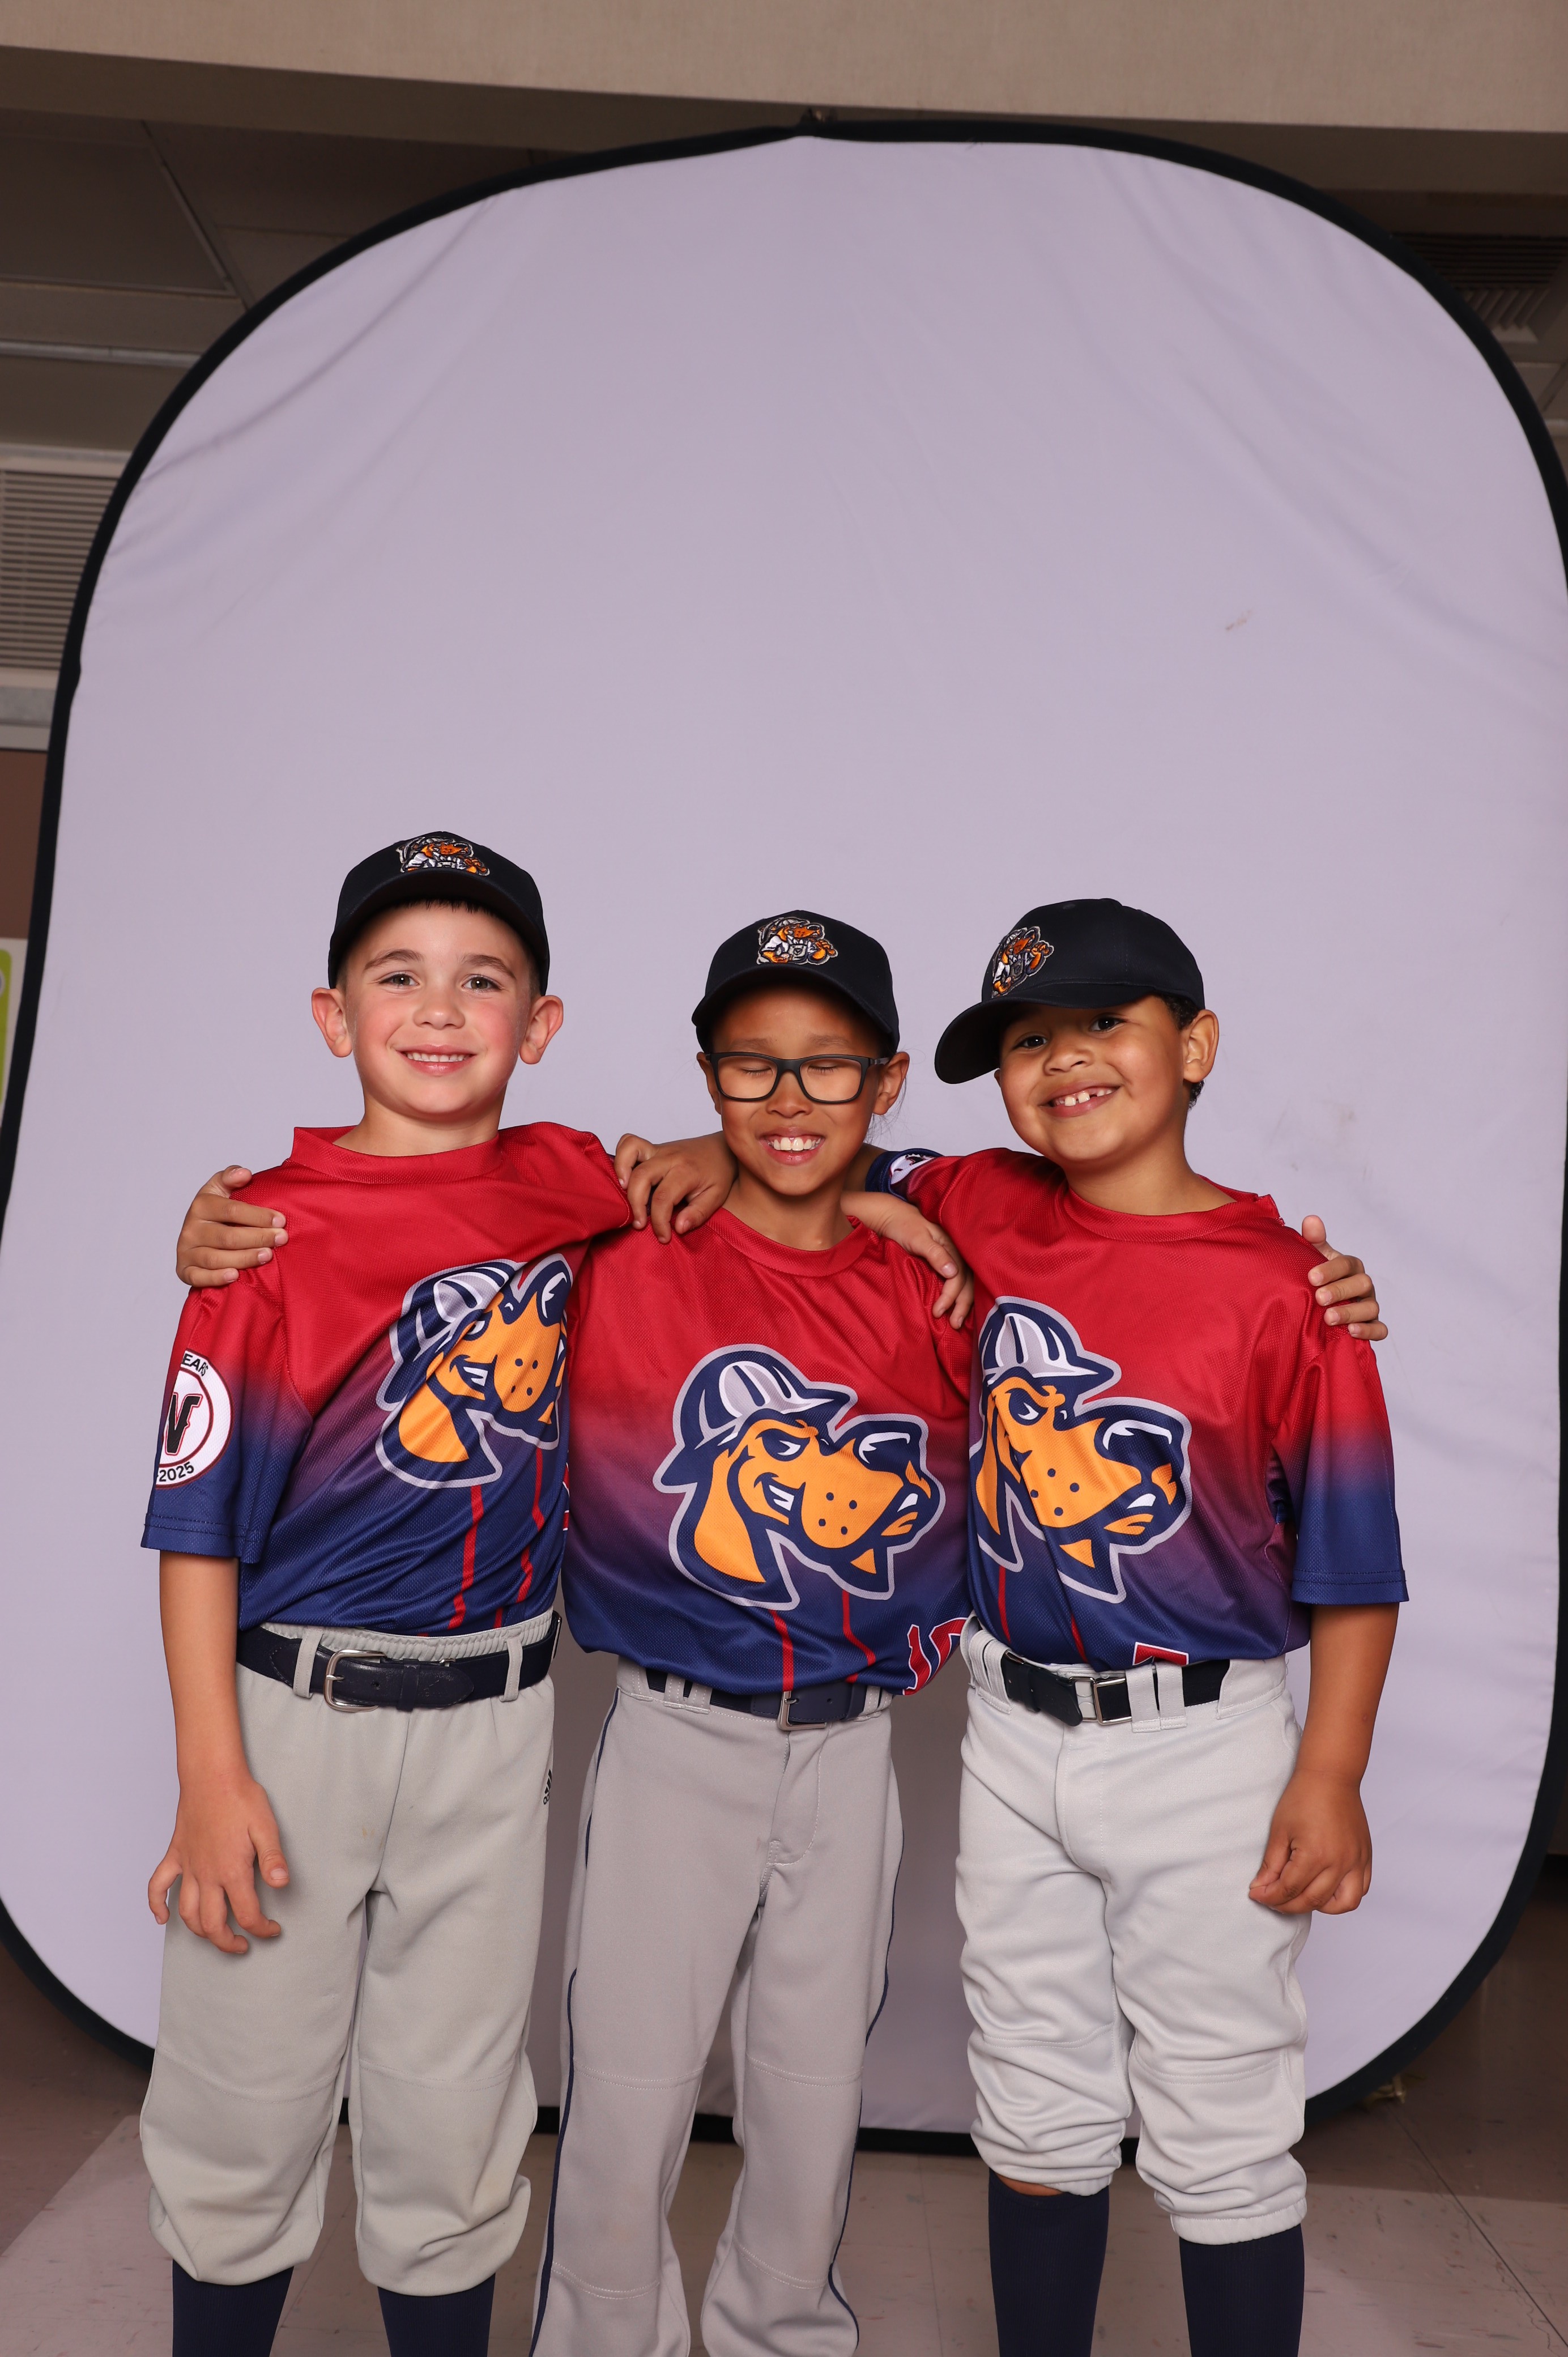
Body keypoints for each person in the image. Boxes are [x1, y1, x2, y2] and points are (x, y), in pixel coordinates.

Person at [850, 897, 1407, 2357]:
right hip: (1010, 1727)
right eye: (1027, 1040)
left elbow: (1354, 1563)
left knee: (1220, 2121)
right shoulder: (987, 1200)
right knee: (1033, 2108)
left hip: (1202, 1746)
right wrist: (694, 1159)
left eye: (1103, 1021)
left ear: (1195, 1044)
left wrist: (1330, 1770)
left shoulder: (1291, 1288)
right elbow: (801, 1150)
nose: (1064, 1059)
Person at [140, 832, 632, 2357]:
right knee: (243, 2098)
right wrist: (210, 1776)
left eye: (483, 980)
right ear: (332, 1014)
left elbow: (759, 1166)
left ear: (539, 1025)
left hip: (496, 1718)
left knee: (454, 2109)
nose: (438, 1009)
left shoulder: (572, 1181)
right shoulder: (265, 1230)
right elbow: (197, 1531)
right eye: (397, 974)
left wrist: (888, 1207)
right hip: (296, 1718)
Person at [530, 912, 974, 2357]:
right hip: (676, 1730)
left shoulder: (937, 1273)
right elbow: (435, 1188)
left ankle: (782, 2330)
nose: (789, 1099)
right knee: (631, 2084)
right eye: (751, 1066)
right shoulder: (623, 1237)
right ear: (707, 1076)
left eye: (828, 1066)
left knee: (809, 2088)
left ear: (887, 1080)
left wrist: (1317, 1281)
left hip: (852, 1742)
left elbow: (1087, 1225)